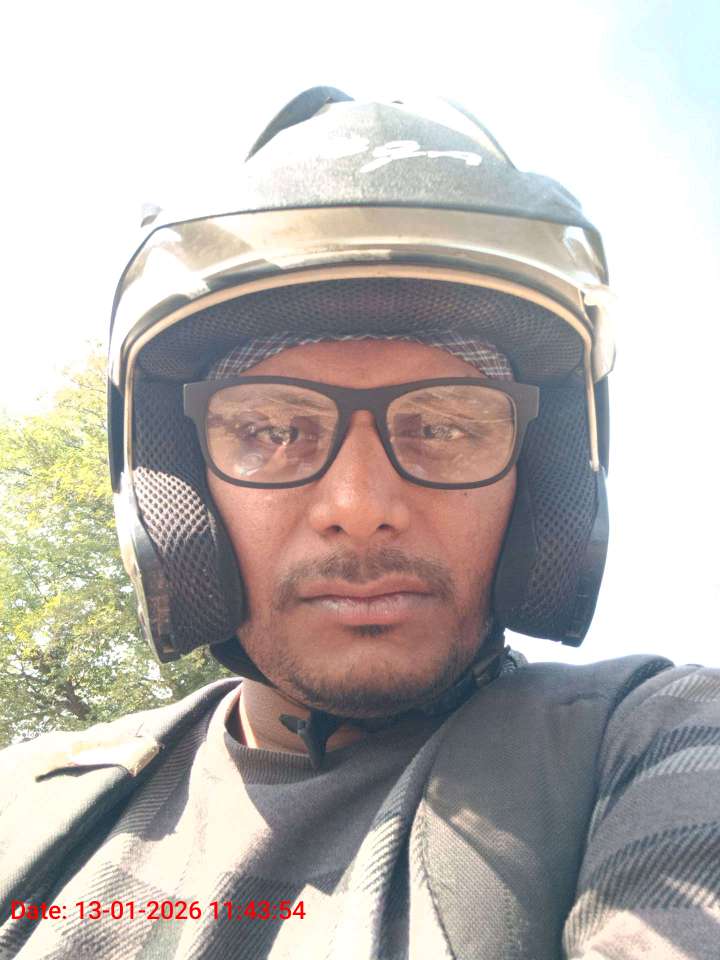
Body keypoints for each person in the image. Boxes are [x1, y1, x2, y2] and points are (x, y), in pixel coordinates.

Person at [1, 87, 719, 960]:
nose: (361, 508)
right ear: (179, 484)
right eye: (271, 430)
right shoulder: (33, 808)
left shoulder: (660, 745)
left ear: (539, 483)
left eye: (446, 426)